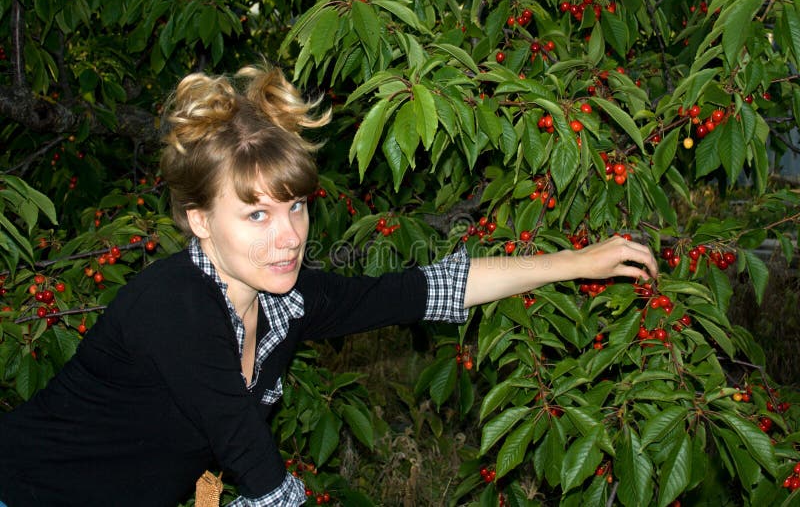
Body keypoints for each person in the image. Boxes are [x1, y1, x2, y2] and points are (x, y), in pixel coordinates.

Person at [0, 62, 658, 507]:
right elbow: (253, 462)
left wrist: (576, 263)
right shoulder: (171, 307)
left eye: (296, 206)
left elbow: (424, 289)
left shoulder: (285, 299)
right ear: (199, 221)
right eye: (255, 213)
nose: (287, 236)